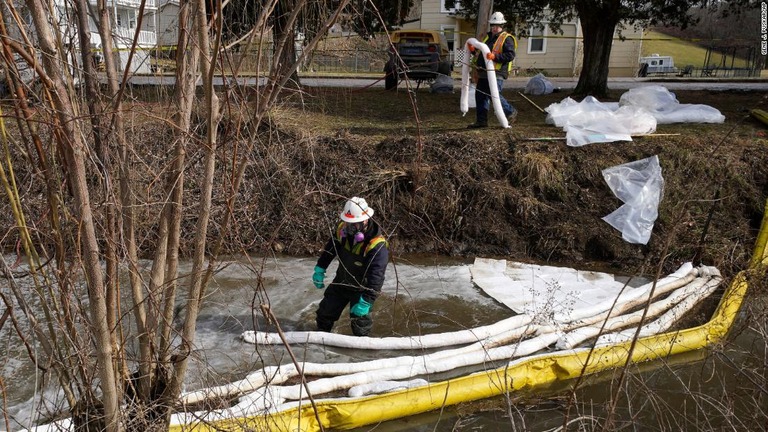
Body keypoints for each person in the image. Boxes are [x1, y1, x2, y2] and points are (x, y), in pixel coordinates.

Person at [311, 197, 389, 336]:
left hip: (361, 288)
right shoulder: (342, 231)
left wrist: (367, 300)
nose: (350, 227)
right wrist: (320, 268)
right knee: (324, 315)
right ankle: (320, 345)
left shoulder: (377, 245)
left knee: (360, 326)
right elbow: (330, 250)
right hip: (342, 281)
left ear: (365, 220)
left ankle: (360, 354)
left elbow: (376, 276)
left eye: (354, 223)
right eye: (348, 223)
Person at [467, 12, 518, 129]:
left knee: (493, 95)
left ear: (502, 26)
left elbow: (510, 55)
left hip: (497, 72)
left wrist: (495, 57)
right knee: (480, 95)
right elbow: (481, 54)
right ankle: (481, 121)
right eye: (493, 25)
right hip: (484, 72)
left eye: (497, 25)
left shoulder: (506, 38)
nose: (495, 28)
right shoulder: (488, 38)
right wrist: (473, 51)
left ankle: (510, 112)